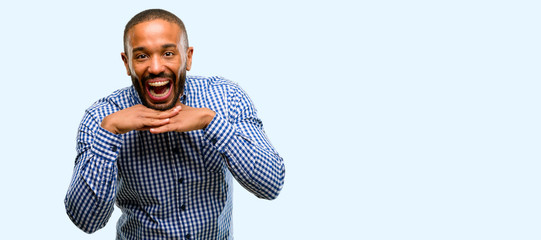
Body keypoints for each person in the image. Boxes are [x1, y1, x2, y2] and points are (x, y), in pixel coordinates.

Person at [64, 9, 285, 239]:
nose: (157, 67)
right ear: (127, 63)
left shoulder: (227, 97)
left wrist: (211, 122)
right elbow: (85, 220)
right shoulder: (100, 118)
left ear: (188, 57)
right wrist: (109, 131)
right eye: (141, 56)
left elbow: (271, 185)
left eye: (168, 53)